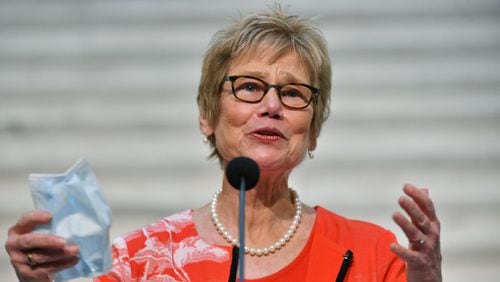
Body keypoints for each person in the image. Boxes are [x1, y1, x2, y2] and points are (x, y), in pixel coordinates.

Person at [5, 6, 442, 282]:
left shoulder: (372, 254)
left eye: (293, 93)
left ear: (313, 130)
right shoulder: (143, 262)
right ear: (207, 117)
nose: (271, 105)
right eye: (249, 87)